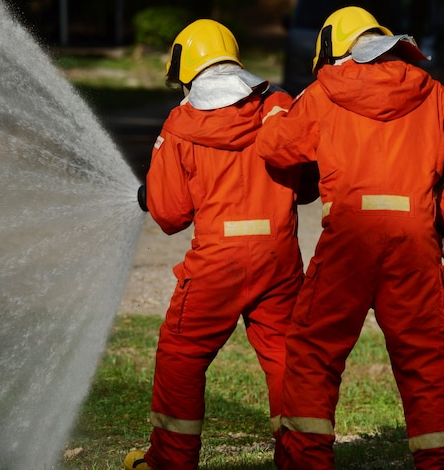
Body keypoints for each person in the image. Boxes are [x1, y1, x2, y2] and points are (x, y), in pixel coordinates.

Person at [255, 6, 444, 470]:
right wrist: (438, 216)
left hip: (347, 241)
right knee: (426, 364)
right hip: (413, 246)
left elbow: (275, 147)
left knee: (313, 357)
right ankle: (440, 463)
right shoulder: (429, 90)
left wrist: (275, 113)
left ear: (332, 48)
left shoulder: (323, 92)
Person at [126, 19, 319, 470]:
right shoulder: (276, 105)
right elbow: (306, 183)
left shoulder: (180, 125)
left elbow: (171, 214)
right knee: (287, 358)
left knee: (181, 356)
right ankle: (304, 461)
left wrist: (152, 191)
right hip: (278, 258)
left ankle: (170, 463)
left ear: (187, 69)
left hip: (215, 264)